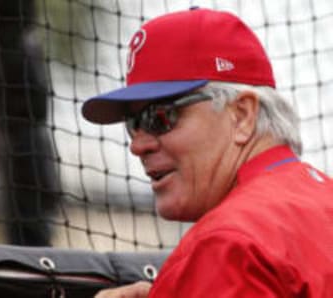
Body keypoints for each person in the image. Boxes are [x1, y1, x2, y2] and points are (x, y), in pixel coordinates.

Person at [81, 7, 333, 298]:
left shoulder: (229, 244)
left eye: (160, 116)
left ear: (242, 116)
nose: (138, 145)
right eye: (134, 124)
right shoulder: (321, 202)